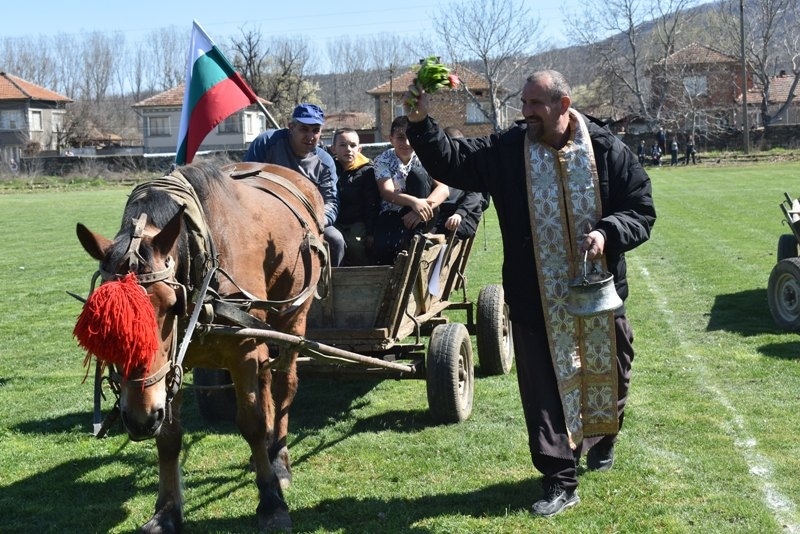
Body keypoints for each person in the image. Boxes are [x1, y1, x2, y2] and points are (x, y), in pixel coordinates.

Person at [404, 70, 655, 517]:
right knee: (542, 389)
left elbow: (640, 209)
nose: (526, 112)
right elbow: (454, 162)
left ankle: (602, 434)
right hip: (532, 292)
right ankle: (560, 478)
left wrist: (607, 233)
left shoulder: (605, 148)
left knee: (614, 365)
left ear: (563, 104)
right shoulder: (509, 150)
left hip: (597, 292)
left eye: (535, 104)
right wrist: (422, 122)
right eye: (523, 103)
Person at [244, 103, 345, 266]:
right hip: (264, 217)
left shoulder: (325, 162)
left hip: (310, 222)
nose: (310, 136)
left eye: (315, 130)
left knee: (336, 240)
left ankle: (328, 287)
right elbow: (245, 183)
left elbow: (331, 202)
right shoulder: (267, 143)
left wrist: (317, 221)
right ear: (291, 127)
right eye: (304, 129)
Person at [372, 115, 450, 265]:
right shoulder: (383, 160)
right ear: (391, 139)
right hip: (393, 214)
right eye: (400, 137)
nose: (406, 143)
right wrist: (414, 202)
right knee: (382, 249)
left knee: (418, 173)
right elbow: (387, 192)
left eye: (410, 137)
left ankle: (418, 236)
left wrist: (419, 211)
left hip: (424, 216)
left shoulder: (424, 156)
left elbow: (443, 189)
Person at [330, 128, 381, 265]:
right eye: (342, 145)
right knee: (333, 244)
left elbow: (372, 203)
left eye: (352, 145)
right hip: (335, 221)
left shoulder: (367, 171)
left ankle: (360, 277)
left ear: (359, 149)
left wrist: (371, 232)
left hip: (358, 222)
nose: (348, 149)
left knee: (356, 245)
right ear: (333, 149)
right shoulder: (328, 169)